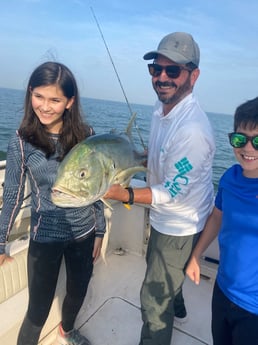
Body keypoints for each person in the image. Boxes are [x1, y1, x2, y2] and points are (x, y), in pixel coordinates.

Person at [104, 32, 215, 345]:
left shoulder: (193, 131)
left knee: (153, 300)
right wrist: (143, 157)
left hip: (179, 224)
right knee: (162, 272)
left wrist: (120, 194)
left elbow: (169, 192)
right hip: (167, 217)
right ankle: (176, 304)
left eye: (173, 70)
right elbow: (163, 153)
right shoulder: (162, 106)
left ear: (194, 75)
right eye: (156, 69)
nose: (162, 77)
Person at [0, 61, 106, 345]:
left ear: (69, 102)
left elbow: (96, 187)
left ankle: (67, 330)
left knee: (78, 290)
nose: (45, 106)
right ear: (30, 93)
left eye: (55, 100)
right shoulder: (22, 141)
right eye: (39, 96)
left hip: (83, 233)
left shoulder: (86, 136)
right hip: (44, 237)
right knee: (37, 311)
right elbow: (11, 193)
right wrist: (0, 241)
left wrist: (100, 230)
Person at [186, 97, 258, 345]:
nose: (248, 149)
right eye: (241, 139)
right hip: (223, 289)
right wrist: (196, 255)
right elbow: (217, 216)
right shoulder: (230, 177)